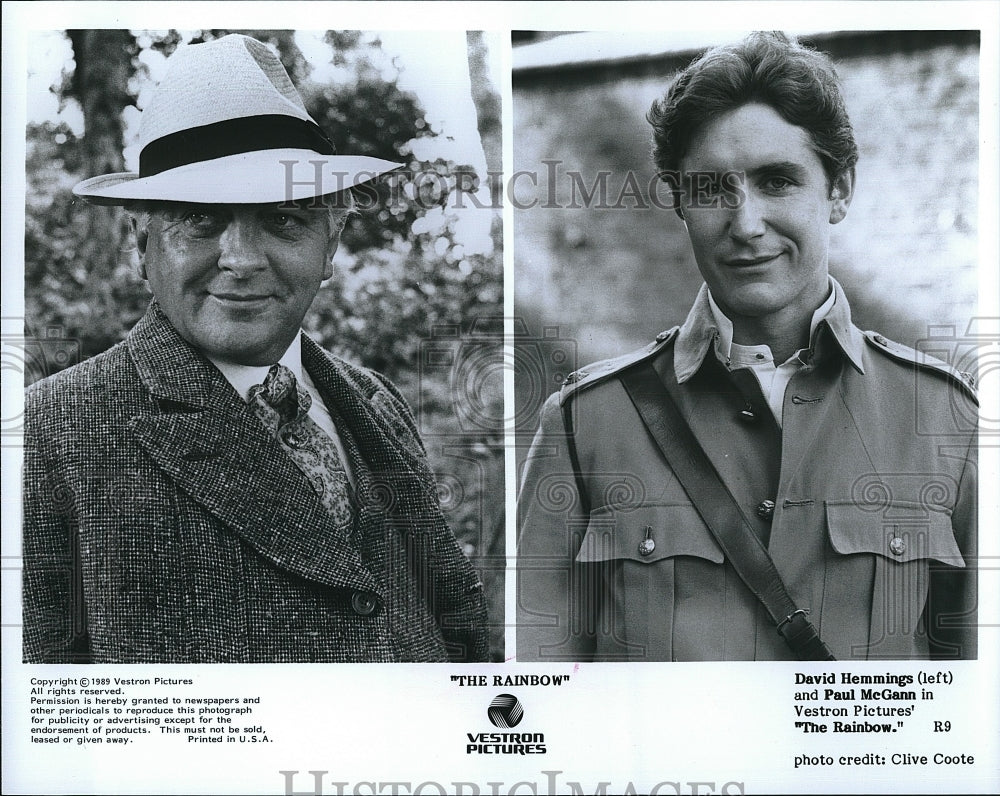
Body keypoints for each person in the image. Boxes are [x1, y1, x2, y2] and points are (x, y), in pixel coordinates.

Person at [22, 33, 489, 663]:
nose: (240, 260)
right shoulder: (46, 432)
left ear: (331, 241)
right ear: (141, 243)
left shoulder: (376, 402)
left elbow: (458, 631)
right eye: (200, 220)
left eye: (284, 220)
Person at [516, 31, 977, 662]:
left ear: (838, 190)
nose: (745, 223)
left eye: (777, 181)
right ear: (679, 202)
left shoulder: (946, 421)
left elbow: (980, 714)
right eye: (711, 188)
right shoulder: (586, 425)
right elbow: (539, 708)